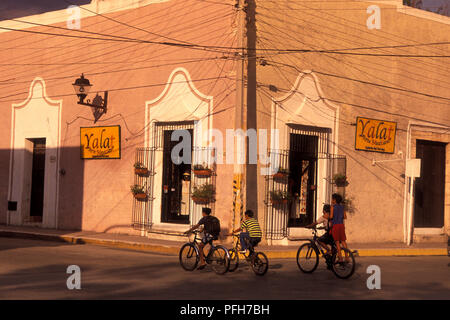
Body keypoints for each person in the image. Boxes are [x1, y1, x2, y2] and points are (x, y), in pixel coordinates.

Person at [329, 193, 349, 263]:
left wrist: (329, 217)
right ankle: (347, 257)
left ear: (334, 200)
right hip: (341, 225)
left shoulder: (332, 207)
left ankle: (340, 258)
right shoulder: (342, 207)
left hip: (335, 226)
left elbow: (331, 217)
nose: (331, 200)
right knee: (343, 241)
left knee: (337, 242)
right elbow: (345, 217)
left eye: (332, 199)